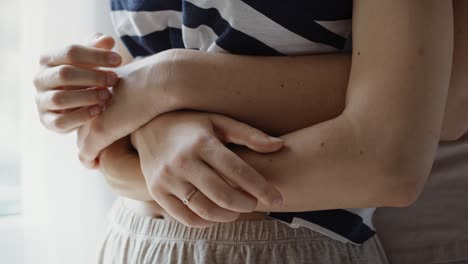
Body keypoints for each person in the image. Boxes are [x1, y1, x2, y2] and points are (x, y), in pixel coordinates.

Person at [33, 1, 461, 263]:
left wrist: (167, 81)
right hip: (135, 239)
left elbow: (396, 151)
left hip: (289, 247)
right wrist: (99, 95)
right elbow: (112, 130)